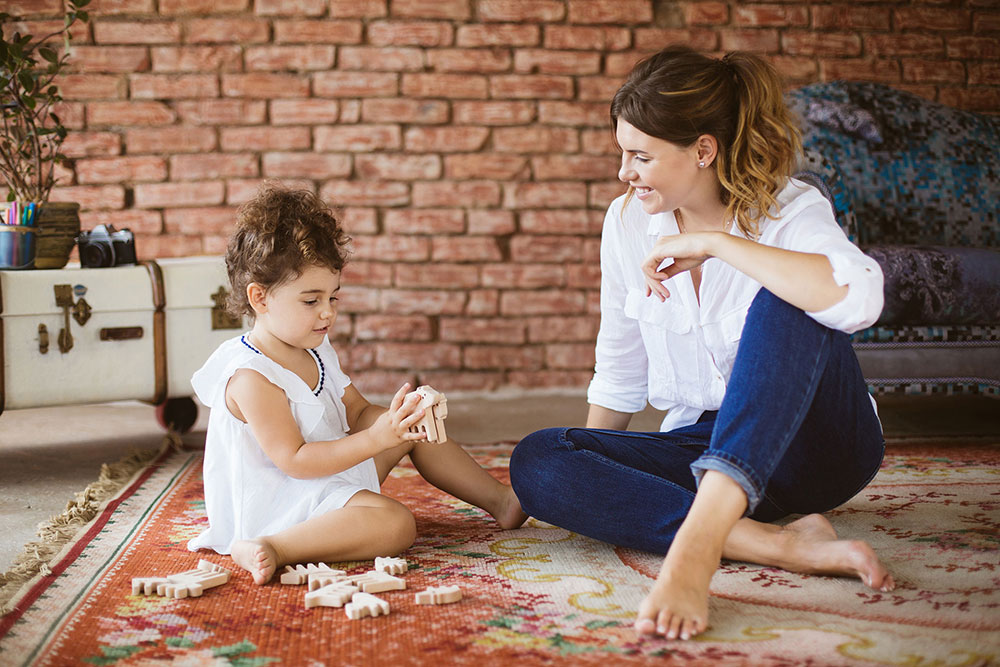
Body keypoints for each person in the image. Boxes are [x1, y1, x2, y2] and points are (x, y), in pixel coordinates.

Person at [509, 45, 895, 642]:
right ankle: (775, 542)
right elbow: (620, 367)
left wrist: (719, 245)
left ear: (703, 150)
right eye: (622, 153)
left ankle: (698, 546)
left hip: (819, 445)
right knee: (539, 458)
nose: (624, 172)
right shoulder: (628, 220)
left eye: (640, 156)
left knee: (787, 291)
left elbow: (860, 297)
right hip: (703, 440)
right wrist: (591, 457)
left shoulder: (789, 208)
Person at [188, 183, 526, 584]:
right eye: (311, 301)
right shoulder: (251, 376)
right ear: (259, 298)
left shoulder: (313, 345)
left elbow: (358, 412)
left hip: (322, 479)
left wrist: (398, 421)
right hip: (278, 502)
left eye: (333, 298)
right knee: (396, 523)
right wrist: (374, 440)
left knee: (410, 431)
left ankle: (501, 501)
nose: (327, 313)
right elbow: (294, 460)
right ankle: (276, 547)